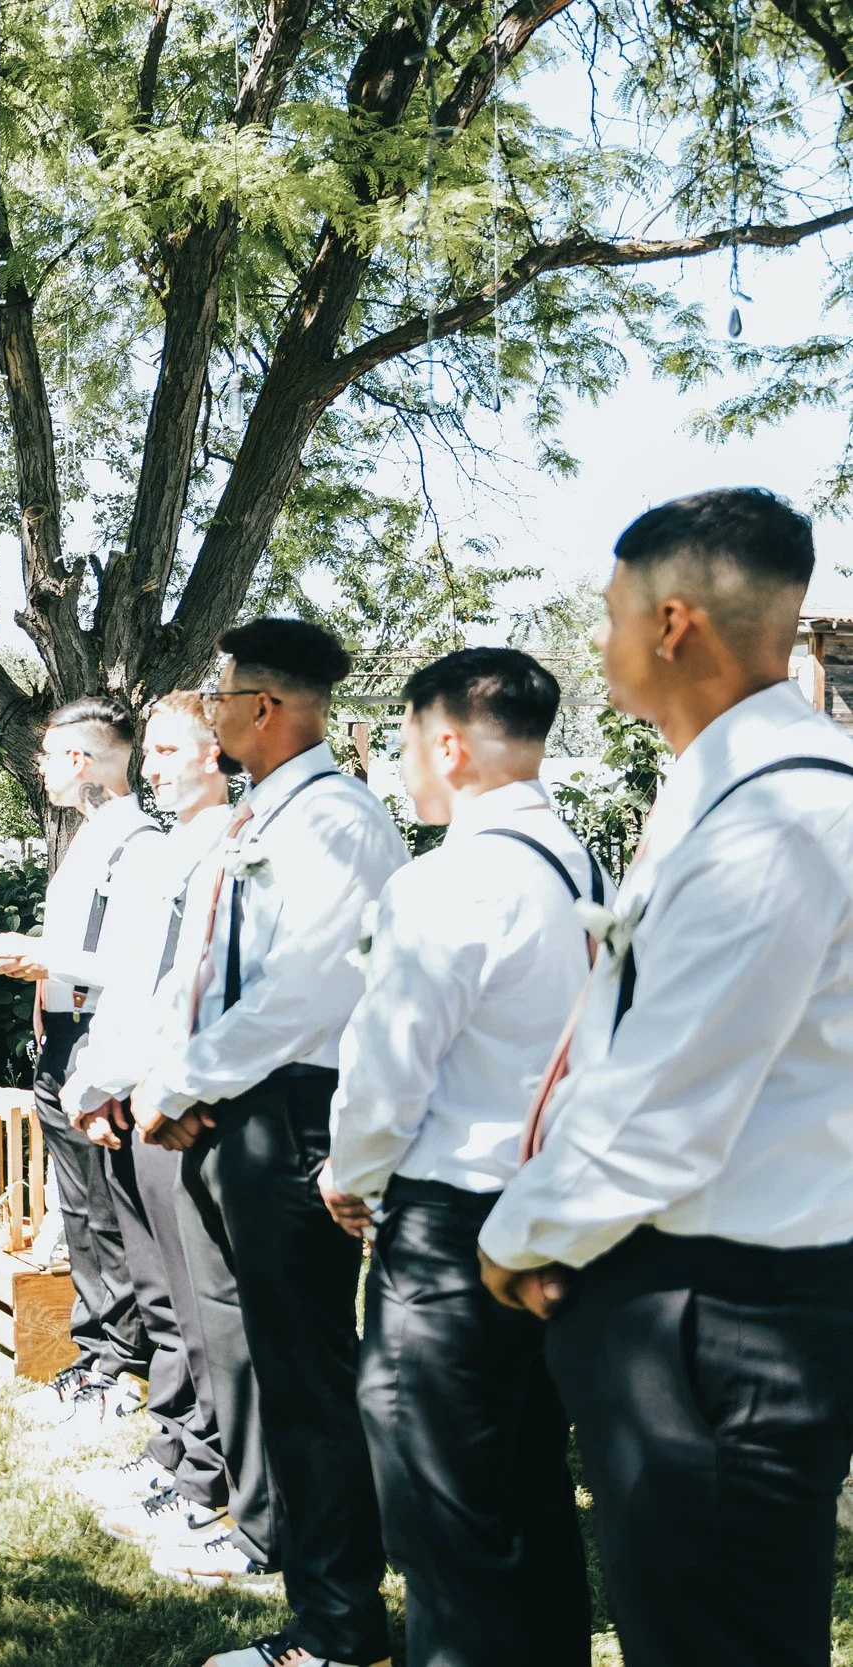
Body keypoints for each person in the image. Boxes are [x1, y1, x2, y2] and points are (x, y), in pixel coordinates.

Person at [479, 488, 853, 1667]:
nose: (597, 645)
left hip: (722, 1309)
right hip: (695, 1286)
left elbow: (664, 1103)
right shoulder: (728, 793)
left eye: (606, 615)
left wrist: (519, 1234)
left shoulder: (778, 816)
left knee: (714, 1631)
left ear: (674, 621)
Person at [134, 618, 407, 1667]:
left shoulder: (334, 821)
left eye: (219, 692)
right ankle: (291, 1556)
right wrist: (174, 1081)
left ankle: (341, 1627)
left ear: (262, 707)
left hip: (286, 1111)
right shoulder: (256, 817)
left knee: (303, 1372)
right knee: (247, 1356)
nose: (208, 708)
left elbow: (307, 990)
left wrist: (180, 1081)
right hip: (226, 1106)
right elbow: (203, 972)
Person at [324, 648, 594, 1667]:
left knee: (445, 1520)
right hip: (557, 1215)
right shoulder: (584, 864)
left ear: (448, 743)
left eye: (401, 744)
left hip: (451, 1228)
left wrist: (349, 1172)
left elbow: (388, 1065)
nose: (402, 768)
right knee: (530, 1489)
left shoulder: (446, 882)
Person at [56, 693, 273, 1588]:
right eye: (146, 751)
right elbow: (140, 979)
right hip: (141, 1088)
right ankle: (184, 1454)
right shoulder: (178, 845)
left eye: (168, 749)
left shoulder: (236, 841)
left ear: (217, 751)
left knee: (207, 1310)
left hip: (191, 1098)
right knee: (166, 1293)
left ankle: (213, 1479)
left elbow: (194, 987)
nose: (149, 767)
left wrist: (152, 1084)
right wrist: (98, 1082)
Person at [0, 697, 161, 1423]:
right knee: (79, 1208)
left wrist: (44, 957)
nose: (41, 766)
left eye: (50, 754)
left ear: (81, 761)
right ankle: (93, 1351)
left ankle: (127, 1366)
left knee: (111, 1206)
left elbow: (135, 961)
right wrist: (41, 988)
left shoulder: (140, 844)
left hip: (104, 1039)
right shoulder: (86, 836)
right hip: (61, 1038)